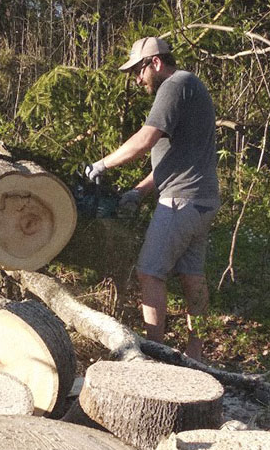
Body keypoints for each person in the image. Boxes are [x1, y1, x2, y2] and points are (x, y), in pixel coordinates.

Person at [83, 36, 220, 361]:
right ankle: (196, 353)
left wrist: (101, 164)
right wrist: (141, 191)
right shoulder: (189, 86)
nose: (137, 79)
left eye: (138, 71)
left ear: (155, 63)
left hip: (180, 202)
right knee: (192, 277)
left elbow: (145, 139)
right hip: (201, 201)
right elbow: (176, 158)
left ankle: (154, 356)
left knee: (149, 272)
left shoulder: (174, 85)